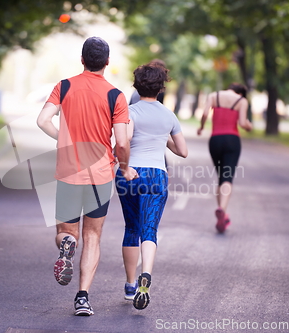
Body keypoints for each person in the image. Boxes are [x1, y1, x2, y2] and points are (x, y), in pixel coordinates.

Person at [37, 37, 137, 316]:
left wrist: (63, 140)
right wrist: (125, 166)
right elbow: (121, 142)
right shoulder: (115, 96)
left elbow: (42, 120)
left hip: (68, 172)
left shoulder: (64, 86)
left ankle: (67, 244)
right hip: (100, 175)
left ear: (82, 60)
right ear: (107, 62)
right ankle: (82, 297)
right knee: (92, 235)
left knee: (65, 232)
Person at [115, 63, 188, 310]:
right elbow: (183, 151)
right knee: (149, 230)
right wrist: (162, 137)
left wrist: (124, 167)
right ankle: (146, 274)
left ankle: (130, 284)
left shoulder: (130, 111)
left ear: (136, 85)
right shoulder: (168, 115)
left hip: (131, 174)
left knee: (131, 228)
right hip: (157, 175)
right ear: (161, 88)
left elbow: (122, 141)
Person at [197, 83, 252, 233]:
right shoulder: (241, 101)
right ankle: (222, 209)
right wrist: (249, 126)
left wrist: (201, 127)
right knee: (227, 177)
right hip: (232, 140)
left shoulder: (214, 96)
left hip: (215, 140)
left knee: (221, 176)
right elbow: (242, 123)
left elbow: (204, 114)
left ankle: (222, 214)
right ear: (241, 93)